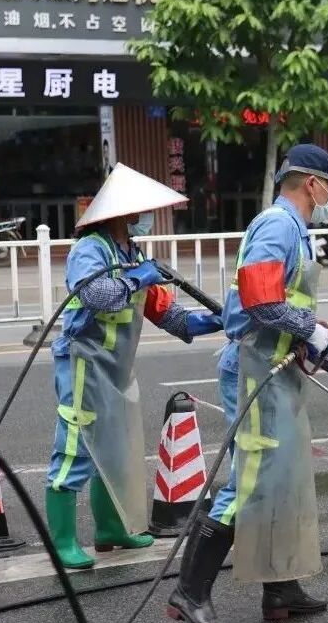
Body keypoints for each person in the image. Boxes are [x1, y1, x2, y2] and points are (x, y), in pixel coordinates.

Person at [167, 144, 328, 623]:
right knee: (252, 481)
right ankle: (190, 591)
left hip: (277, 366)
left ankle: (280, 588)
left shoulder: (296, 231)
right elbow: (262, 303)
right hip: (254, 370)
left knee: (281, 478)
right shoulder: (276, 226)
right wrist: (312, 331)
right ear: (312, 184)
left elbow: (287, 308)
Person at [46, 162, 224, 570]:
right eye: (140, 210)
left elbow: (167, 314)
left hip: (117, 370)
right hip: (85, 364)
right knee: (75, 450)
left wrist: (213, 321)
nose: (146, 218)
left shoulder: (133, 254)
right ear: (122, 212)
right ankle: (63, 543)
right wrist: (138, 278)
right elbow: (96, 296)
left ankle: (112, 530)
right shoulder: (91, 250)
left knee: (115, 451)